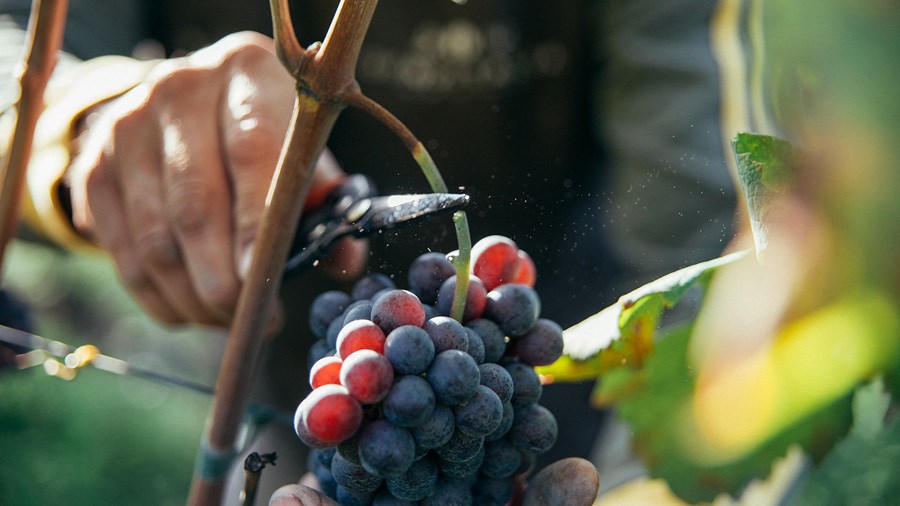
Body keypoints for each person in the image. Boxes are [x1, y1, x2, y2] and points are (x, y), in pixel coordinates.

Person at [0, 0, 734, 503]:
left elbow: (689, 218)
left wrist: (662, 466)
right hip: (307, 411)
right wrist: (82, 127)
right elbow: (15, 54)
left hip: (557, 401)